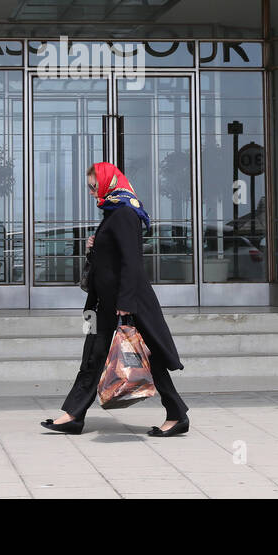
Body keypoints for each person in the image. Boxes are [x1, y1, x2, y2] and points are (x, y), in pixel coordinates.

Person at [41, 161, 189, 437]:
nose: (91, 191)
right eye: (89, 187)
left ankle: (177, 413)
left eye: (93, 185)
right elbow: (113, 256)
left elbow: (132, 262)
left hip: (125, 303)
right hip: (102, 304)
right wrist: (94, 248)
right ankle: (74, 414)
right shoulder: (112, 211)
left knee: (149, 357)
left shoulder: (123, 213)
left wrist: (126, 305)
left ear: (107, 180)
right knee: (93, 356)